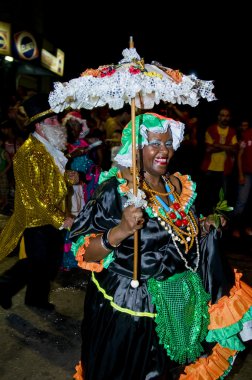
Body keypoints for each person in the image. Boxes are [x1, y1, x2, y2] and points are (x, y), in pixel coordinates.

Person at [69, 112, 252, 380]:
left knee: (163, 371)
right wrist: (120, 230)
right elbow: (84, 252)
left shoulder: (177, 186)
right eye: (154, 143)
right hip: (130, 304)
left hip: (178, 300)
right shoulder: (117, 192)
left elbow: (178, 231)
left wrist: (203, 226)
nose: (163, 151)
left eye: (168, 143)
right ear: (137, 147)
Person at [0, 93, 78, 311]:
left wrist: (68, 177)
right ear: (39, 126)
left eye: (56, 118)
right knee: (34, 263)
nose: (58, 123)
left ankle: (35, 299)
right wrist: (63, 218)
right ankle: (4, 288)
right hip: (36, 219)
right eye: (52, 120)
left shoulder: (48, 147)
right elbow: (35, 196)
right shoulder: (28, 153)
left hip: (51, 216)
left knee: (49, 262)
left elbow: (49, 180)